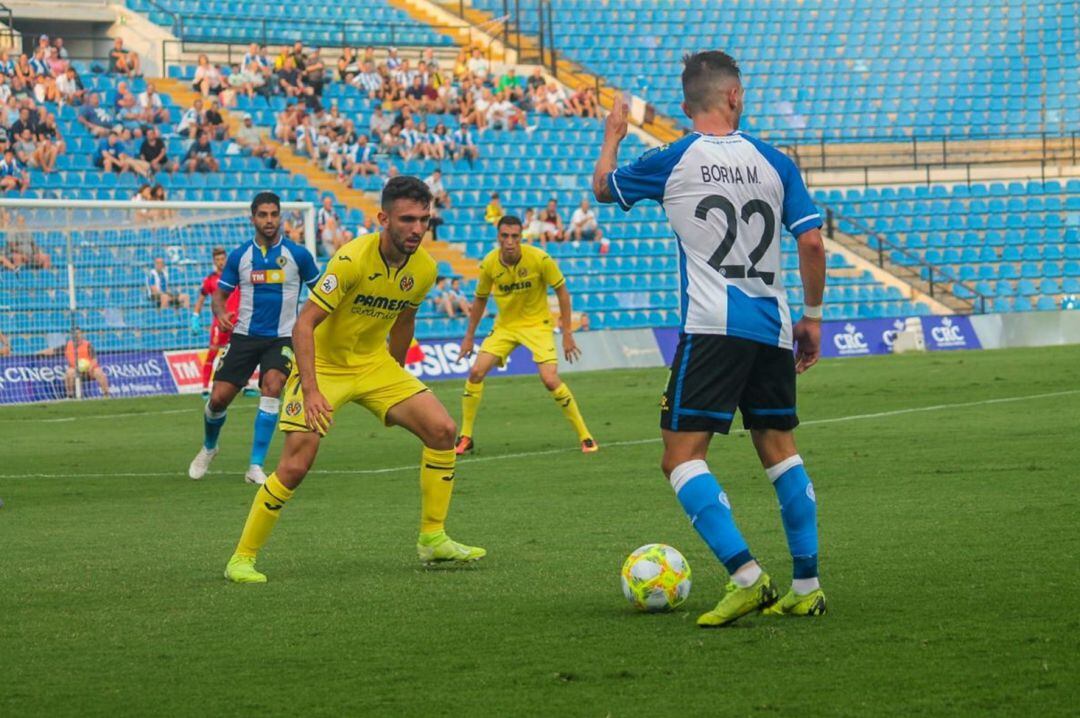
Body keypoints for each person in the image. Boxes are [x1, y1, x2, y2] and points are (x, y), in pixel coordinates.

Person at [592, 51, 828, 625]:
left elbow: (603, 188)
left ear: (685, 105)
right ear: (735, 95)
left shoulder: (673, 158)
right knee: (779, 450)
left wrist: (613, 137)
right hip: (771, 328)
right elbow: (813, 242)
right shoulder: (776, 161)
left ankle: (747, 577)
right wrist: (813, 318)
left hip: (712, 327)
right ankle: (807, 584)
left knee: (680, 457)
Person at [222, 177, 485, 583]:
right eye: (408, 219)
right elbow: (304, 326)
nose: (417, 229)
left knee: (442, 429)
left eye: (424, 219)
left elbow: (405, 319)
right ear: (383, 218)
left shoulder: (426, 268)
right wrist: (310, 389)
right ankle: (241, 558)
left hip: (374, 365)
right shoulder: (350, 260)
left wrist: (396, 373)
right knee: (295, 466)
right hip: (323, 367)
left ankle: (433, 537)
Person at [188, 192, 321, 486]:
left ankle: (255, 466)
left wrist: (313, 324)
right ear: (253, 219)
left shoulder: (298, 255)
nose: (269, 220)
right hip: (244, 337)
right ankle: (210, 447)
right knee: (218, 399)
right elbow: (219, 296)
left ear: (281, 217)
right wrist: (221, 313)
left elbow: (322, 293)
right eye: (263, 215)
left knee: (272, 387)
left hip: (283, 338)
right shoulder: (240, 256)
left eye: (274, 214)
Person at [455, 214, 596, 454]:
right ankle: (465, 436)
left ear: (521, 237)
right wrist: (469, 337)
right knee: (476, 372)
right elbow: (479, 299)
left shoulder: (540, 259)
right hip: (505, 326)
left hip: (537, 326)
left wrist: (567, 332)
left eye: (514, 236)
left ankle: (585, 436)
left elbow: (562, 292)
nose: (509, 241)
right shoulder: (489, 263)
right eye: (504, 236)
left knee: (550, 379)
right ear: (498, 237)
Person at [192, 246, 242, 396]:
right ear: (214, 261)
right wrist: (195, 316)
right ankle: (205, 387)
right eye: (217, 260)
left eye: (222, 259)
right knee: (212, 353)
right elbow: (201, 298)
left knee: (240, 354)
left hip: (237, 321)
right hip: (219, 323)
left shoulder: (235, 276)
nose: (220, 262)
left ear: (226, 259)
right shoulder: (210, 280)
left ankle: (245, 385)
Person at [63, 329, 110, 398]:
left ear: (81, 334)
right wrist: (42, 352)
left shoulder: (88, 344)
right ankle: (70, 396)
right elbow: (54, 351)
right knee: (69, 372)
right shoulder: (68, 345)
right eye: (75, 333)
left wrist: (90, 368)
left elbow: (94, 359)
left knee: (99, 372)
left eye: (78, 333)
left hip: (89, 369)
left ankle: (106, 394)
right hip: (75, 369)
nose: (76, 335)